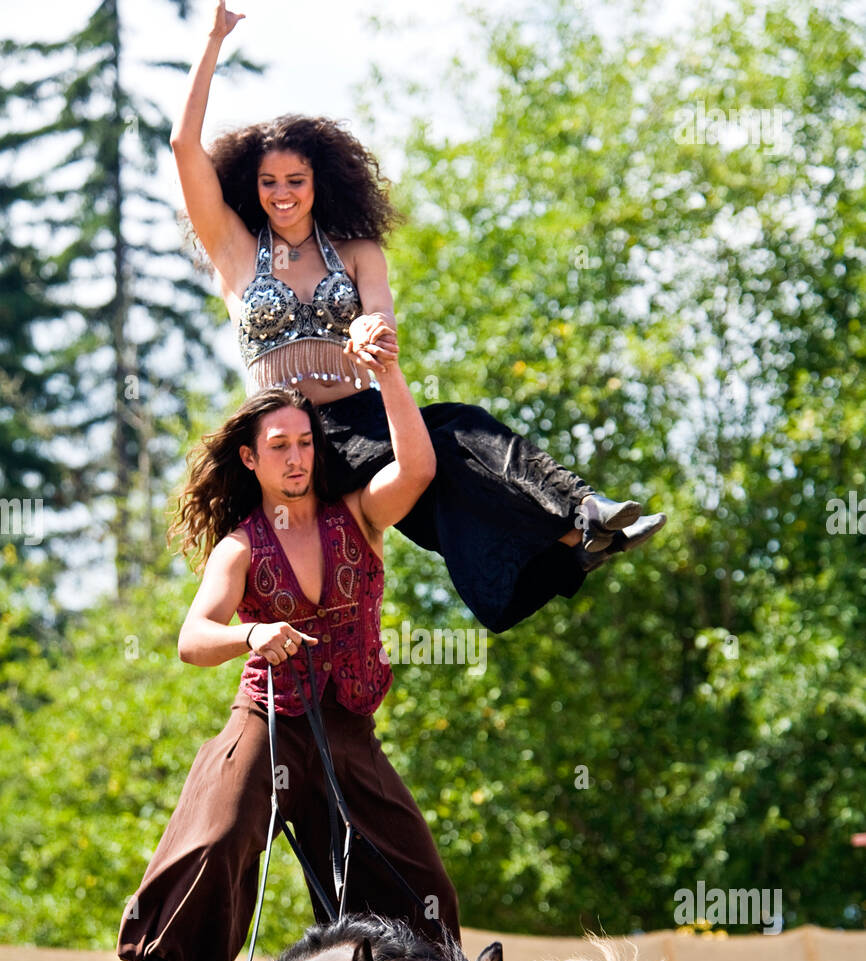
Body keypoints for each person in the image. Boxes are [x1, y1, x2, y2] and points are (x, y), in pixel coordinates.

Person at [168, 3, 668, 636]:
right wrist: (213, 38)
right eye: (269, 182)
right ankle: (574, 528)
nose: (283, 193)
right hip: (297, 434)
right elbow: (184, 147)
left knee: (454, 465)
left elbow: (378, 311)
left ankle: (579, 526)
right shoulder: (237, 253)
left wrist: (369, 329)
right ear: (254, 185)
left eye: (296, 179)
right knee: (456, 428)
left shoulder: (356, 252)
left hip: (365, 420)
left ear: (320, 183)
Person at [100, 342, 460, 961]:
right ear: (250, 459)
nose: (296, 458)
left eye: (304, 443)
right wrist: (252, 633)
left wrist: (387, 370)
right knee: (219, 833)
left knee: (423, 882)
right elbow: (192, 637)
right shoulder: (241, 546)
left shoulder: (357, 516)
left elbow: (417, 468)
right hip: (270, 720)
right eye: (279, 446)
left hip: (350, 731)